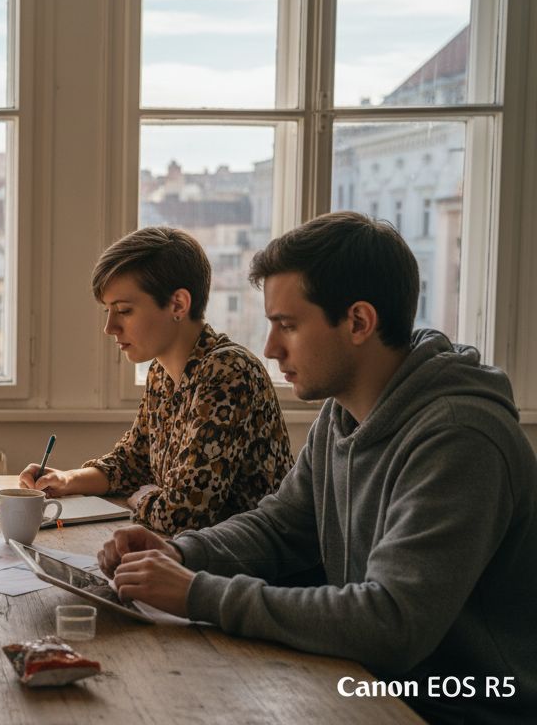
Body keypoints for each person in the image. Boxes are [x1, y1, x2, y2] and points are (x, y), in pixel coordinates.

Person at [100, 212, 537, 723]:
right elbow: (281, 526)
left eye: (287, 325)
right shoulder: (342, 413)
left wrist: (197, 594)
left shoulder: (460, 437)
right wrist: (180, 552)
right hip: (370, 682)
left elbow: (392, 624)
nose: (270, 349)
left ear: (358, 322)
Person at [19, 227, 292, 534]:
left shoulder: (228, 372)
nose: (109, 327)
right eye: (108, 311)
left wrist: (143, 498)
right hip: (192, 551)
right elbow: (133, 462)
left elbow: (184, 514)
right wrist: (66, 480)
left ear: (178, 305)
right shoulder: (161, 372)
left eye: (124, 310)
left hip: (250, 558)